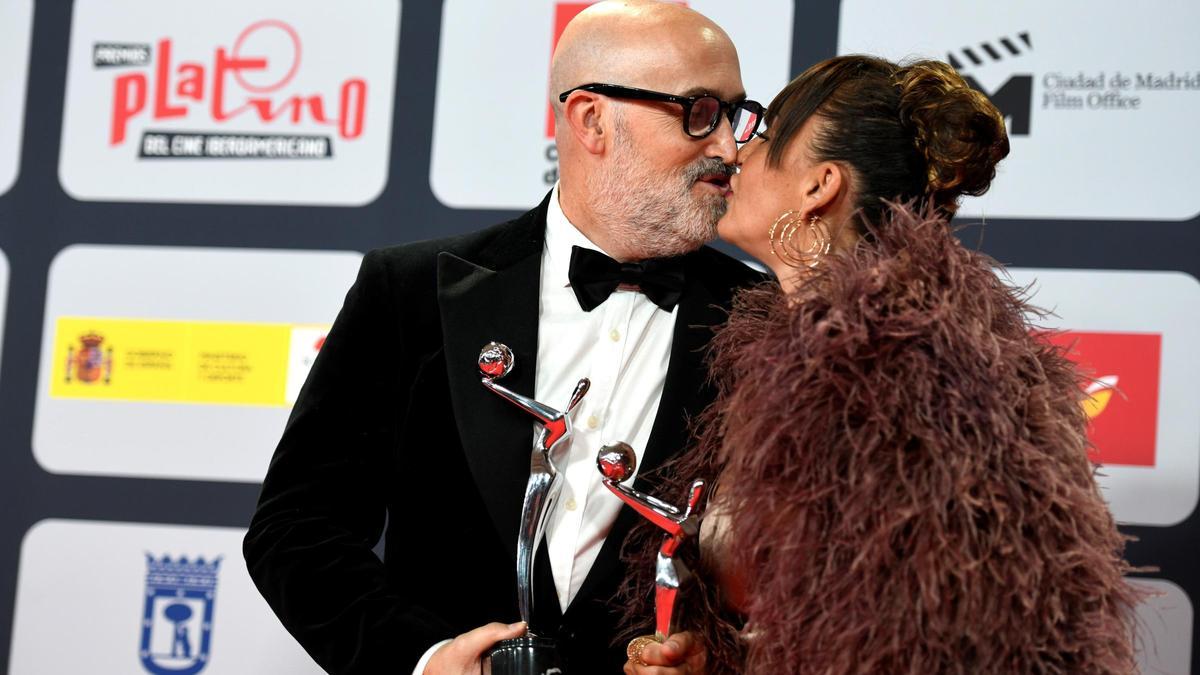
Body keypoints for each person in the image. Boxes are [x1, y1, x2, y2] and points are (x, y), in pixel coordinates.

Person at [243, 2, 764, 673]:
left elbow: (801, 578)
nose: (728, 145)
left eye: (736, 115)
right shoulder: (410, 291)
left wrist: (721, 659)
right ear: (591, 120)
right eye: (699, 111)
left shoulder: (765, 321)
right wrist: (423, 658)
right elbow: (296, 529)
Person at [620, 55, 1140, 674]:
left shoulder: (919, 373)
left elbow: (939, 639)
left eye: (764, 135)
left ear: (821, 185)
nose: (735, 153)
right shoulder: (790, 364)